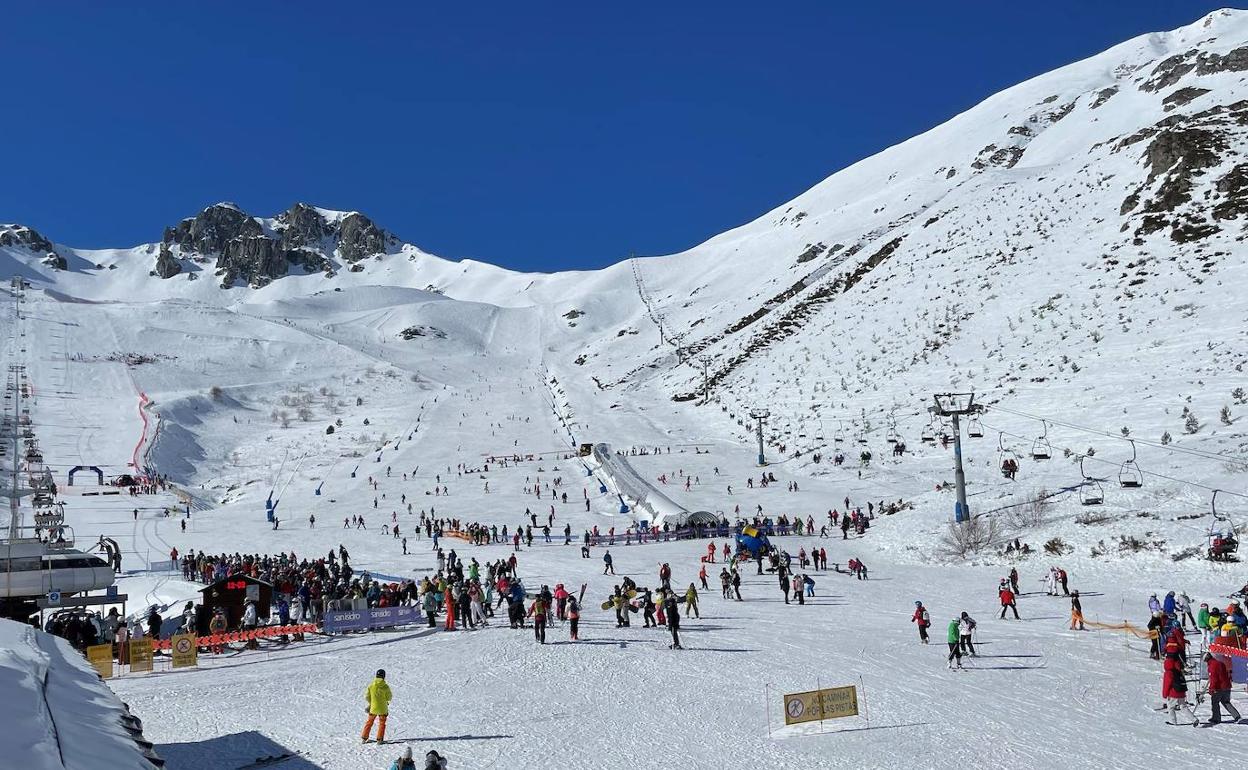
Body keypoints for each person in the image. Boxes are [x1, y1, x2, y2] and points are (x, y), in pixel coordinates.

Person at [1162, 643, 1196, 726]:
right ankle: (1194, 719)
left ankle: (1173, 721)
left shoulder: (1168, 672)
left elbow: (1167, 684)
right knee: (1183, 707)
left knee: (1170, 707)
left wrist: (1164, 694)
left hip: (1173, 692)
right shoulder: (1178, 670)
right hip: (1181, 691)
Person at [1205, 652, 1241, 725]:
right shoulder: (1220, 663)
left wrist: (1211, 689)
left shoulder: (1212, 666)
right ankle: (1237, 716)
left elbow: (1214, 679)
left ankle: (1216, 718)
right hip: (1227, 686)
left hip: (1219, 688)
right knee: (1226, 702)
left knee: (1215, 702)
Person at [362, 669, 392, 744]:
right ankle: (379, 739)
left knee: (369, 722)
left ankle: (364, 738)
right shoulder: (385, 687)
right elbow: (389, 697)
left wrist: (371, 702)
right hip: (383, 709)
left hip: (373, 708)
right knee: (382, 724)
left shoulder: (371, 685)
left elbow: (366, 696)